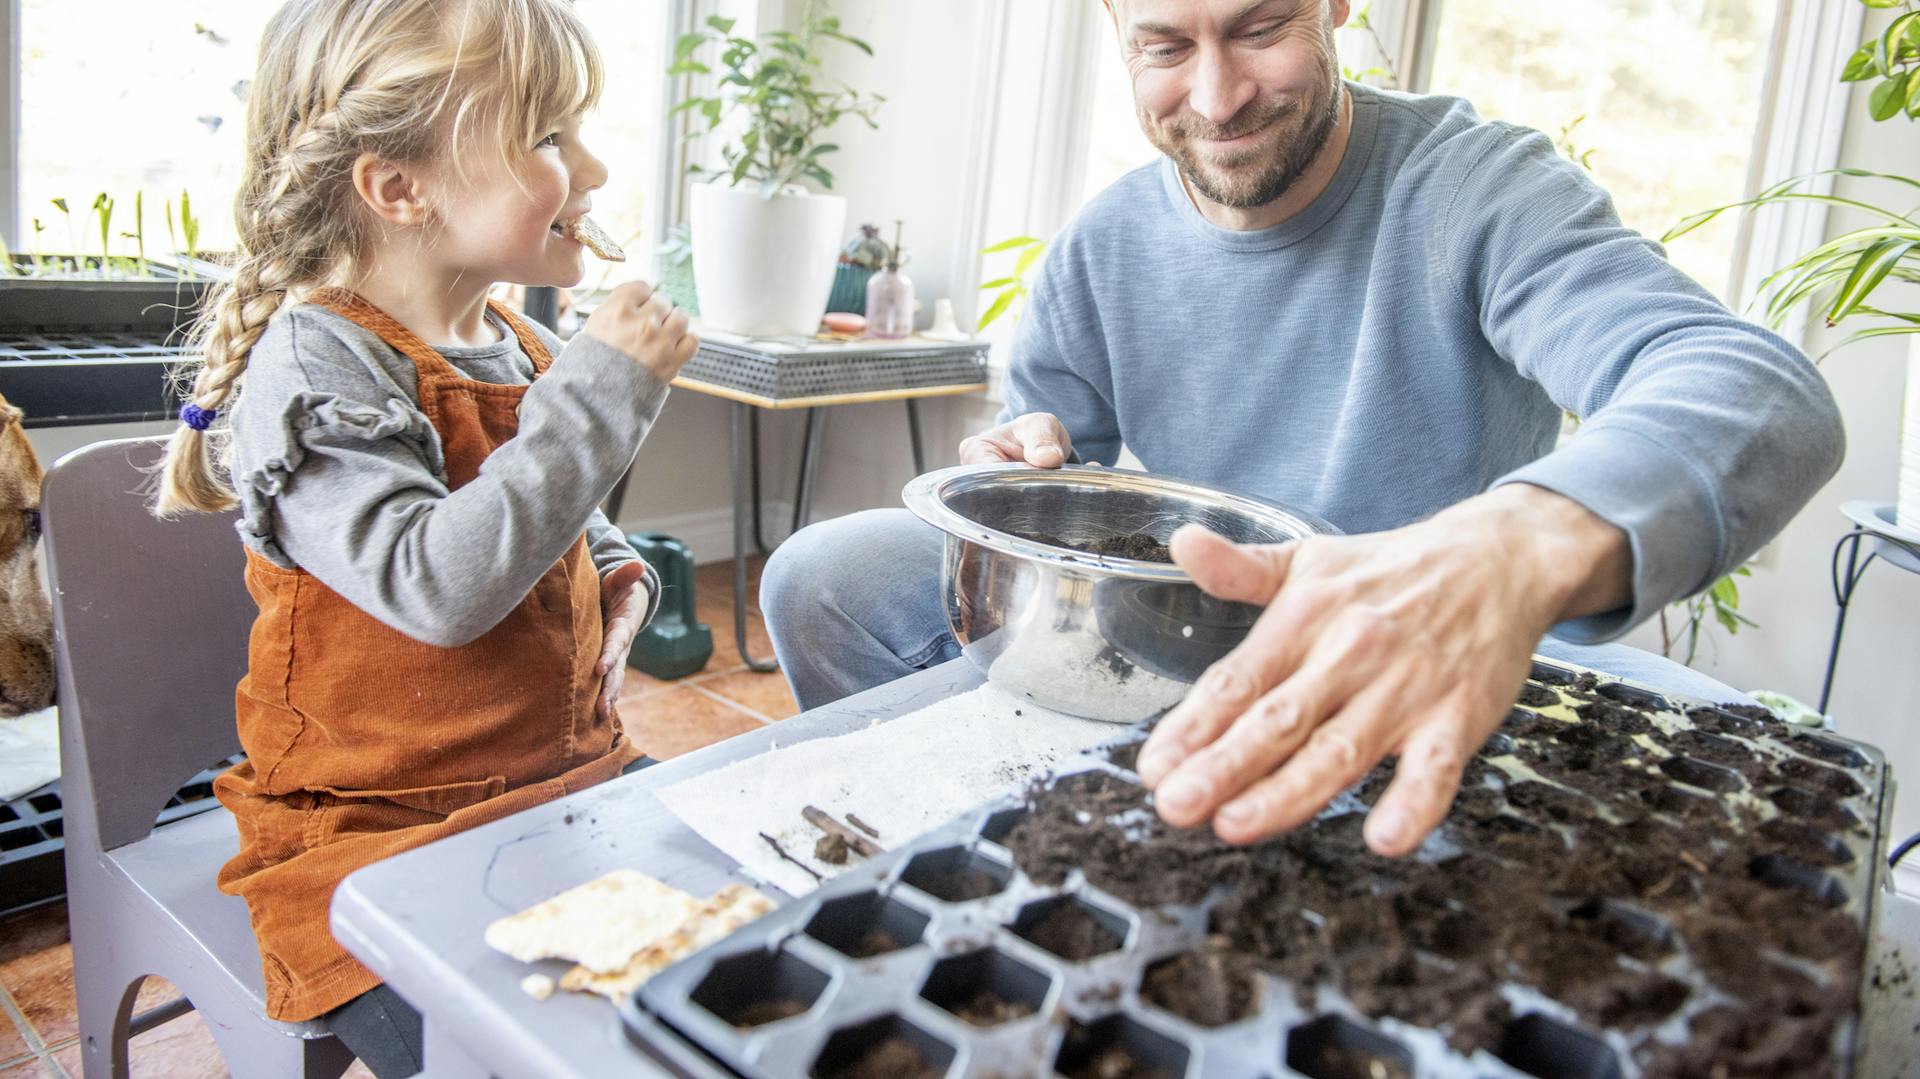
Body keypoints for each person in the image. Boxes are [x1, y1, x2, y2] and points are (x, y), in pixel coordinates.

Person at [762, 0, 1843, 864]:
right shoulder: (1105, 245)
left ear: (1335, 6)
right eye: (1167, 45)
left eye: (1260, 27)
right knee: (826, 574)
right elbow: (1054, 476)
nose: (1218, 96)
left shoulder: (1478, 187)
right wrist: (1018, 469)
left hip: (1439, 661)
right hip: (1184, 641)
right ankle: (1019, 846)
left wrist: (1505, 546)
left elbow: (1754, 388)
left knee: (1770, 762)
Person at [152, 1, 696, 1073]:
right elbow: (434, 583)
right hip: (378, 840)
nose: (589, 168)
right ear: (399, 187)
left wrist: (617, 570)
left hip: (564, 785)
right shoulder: (314, 369)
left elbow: (542, 506)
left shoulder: (519, 338)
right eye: (548, 134)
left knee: (726, 976)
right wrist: (605, 392)